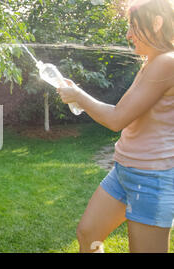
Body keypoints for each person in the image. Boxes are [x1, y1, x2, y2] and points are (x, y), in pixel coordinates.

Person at [57, 0, 173, 253]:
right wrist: (79, 95)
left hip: (151, 177)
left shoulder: (167, 62)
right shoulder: (151, 62)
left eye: (133, 27)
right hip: (123, 170)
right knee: (88, 234)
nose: (128, 35)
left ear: (156, 23)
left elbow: (116, 120)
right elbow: (121, 113)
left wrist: (78, 95)